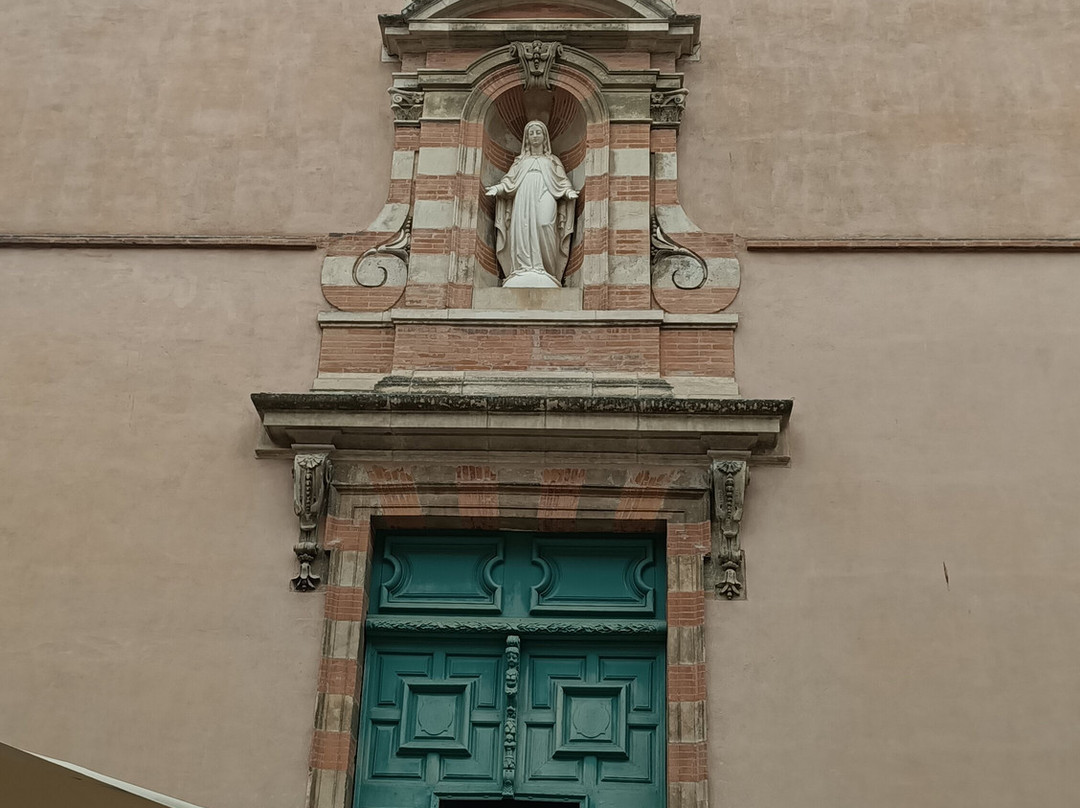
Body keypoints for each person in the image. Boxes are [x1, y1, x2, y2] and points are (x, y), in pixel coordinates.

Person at [486, 120, 579, 287]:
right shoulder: (520, 161)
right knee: (523, 227)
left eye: (538, 132)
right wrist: (498, 189)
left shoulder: (552, 160)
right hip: (523, 195)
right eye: (531, 133)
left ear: (545, 137)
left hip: (546, 192)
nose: (535, 136)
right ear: (527, 139)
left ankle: (547, 269)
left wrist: (568, 191)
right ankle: (524, 267)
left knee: (544, 224)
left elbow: (562, 180)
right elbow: (510, 180)